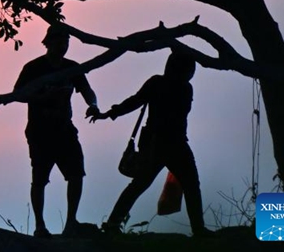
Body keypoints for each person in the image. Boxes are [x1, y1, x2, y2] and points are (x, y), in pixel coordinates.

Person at [91, 51, 213, 237]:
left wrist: (110, 113)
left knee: (142, 184)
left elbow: (136, 101)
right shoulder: (179, 87)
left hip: (163, 143)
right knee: (187, 185)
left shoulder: (167, 84)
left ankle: (112, 224)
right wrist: (111, 113)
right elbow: (136, 101)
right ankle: (198, 229)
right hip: (166, 144)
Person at [14, 25, 100, 238]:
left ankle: (71, 222)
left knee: (76, 174)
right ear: (48, 42)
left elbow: (87, 91)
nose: (64, 45)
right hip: (40, 131)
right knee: (40, 179)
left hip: (65, 129)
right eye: (60, 41)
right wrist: (42, 97)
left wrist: (93, 105)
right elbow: (18, 94)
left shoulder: (72, 68)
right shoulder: (33, 68)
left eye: (66, 41)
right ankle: (40, 226)